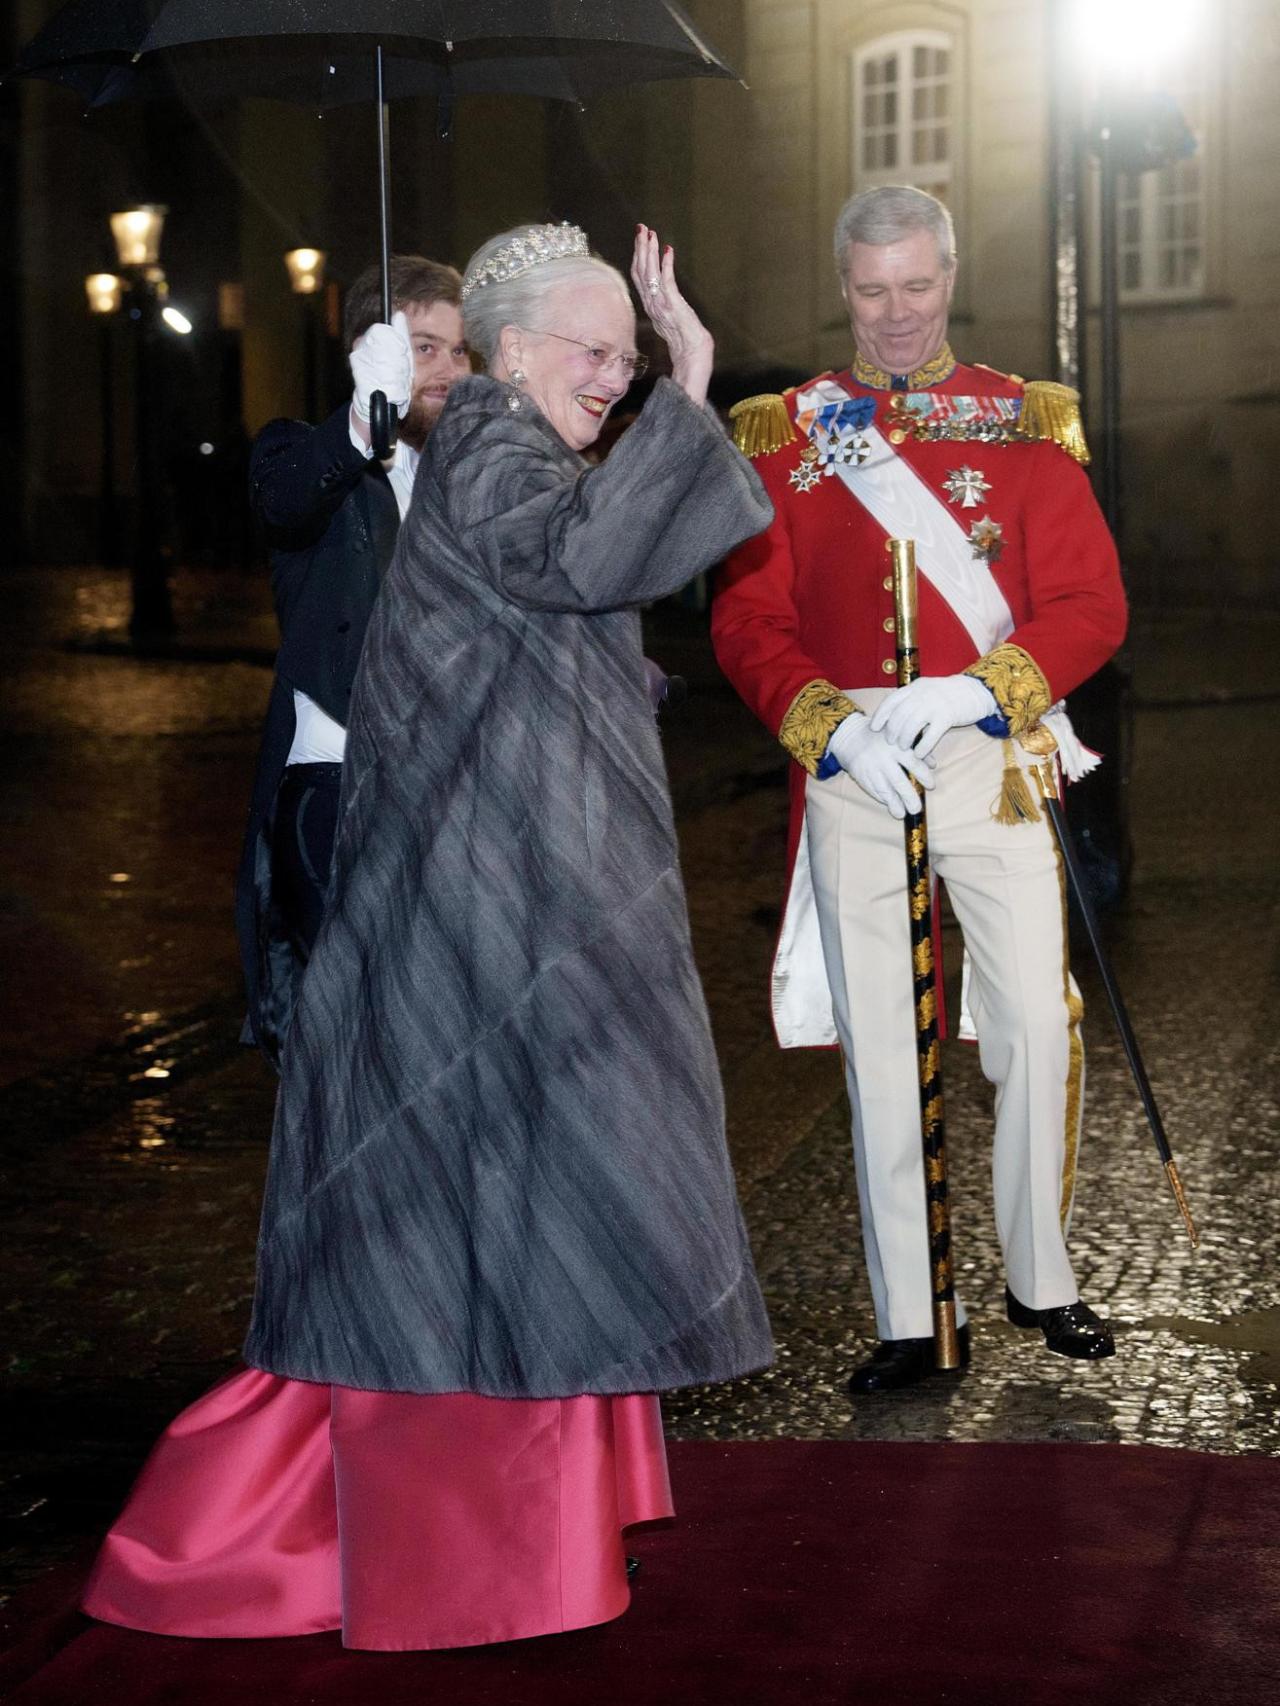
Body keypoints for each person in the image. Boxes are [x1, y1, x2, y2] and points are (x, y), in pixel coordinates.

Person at [82, 222, 774, 1651]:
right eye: (596, 351)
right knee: (488, 1232)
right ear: (510, 353)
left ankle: (539, 1542)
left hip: (516, 919)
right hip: (483, 939)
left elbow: (554, 607)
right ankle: (484, 1564)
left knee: (529, 1220)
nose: (615, 374)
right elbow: (580, 552)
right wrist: (692, 397)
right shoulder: (498, 450)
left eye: (628, 357)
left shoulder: (516, 448)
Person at [712, 185, 1128, 1395]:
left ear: (949, 275)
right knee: (883, 1045)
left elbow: (1090, 606)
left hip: (984, 756)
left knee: (1036, 1025)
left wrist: (975, 693)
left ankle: (1038, 1274)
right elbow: (744, 615)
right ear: (839, 286)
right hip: (852, 764)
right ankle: (912, 1310)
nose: (894, 316)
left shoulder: (1020, 422)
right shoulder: (787, 432)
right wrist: (826, 727)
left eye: (916, 285)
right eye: (868, 289)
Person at [237, 255, 470, 1069]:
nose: (448, 369)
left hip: (447, 795)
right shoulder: (307, 454)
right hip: (335, 799)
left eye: (460, 350)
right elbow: (287, 500)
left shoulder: (463, 479)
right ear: (374, 352)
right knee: (361, 1049)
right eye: (426, 348)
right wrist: (363, 426)